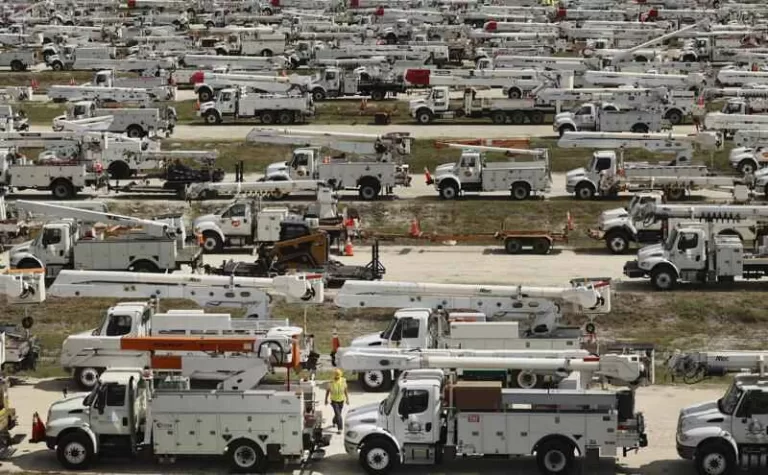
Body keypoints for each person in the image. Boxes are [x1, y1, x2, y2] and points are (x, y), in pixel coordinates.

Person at [325, 368, 349, 434]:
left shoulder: (343, 381)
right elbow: (327, 391)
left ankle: (334, 421)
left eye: (338, 377)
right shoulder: (331, 382)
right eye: (336, 377)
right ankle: (340, 429)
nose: (337, 378)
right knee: (338, 414)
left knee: (338, 414)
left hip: (341, 400)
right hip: (334, 401)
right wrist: (326, 400)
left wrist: (347, 399)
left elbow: (345, 390)